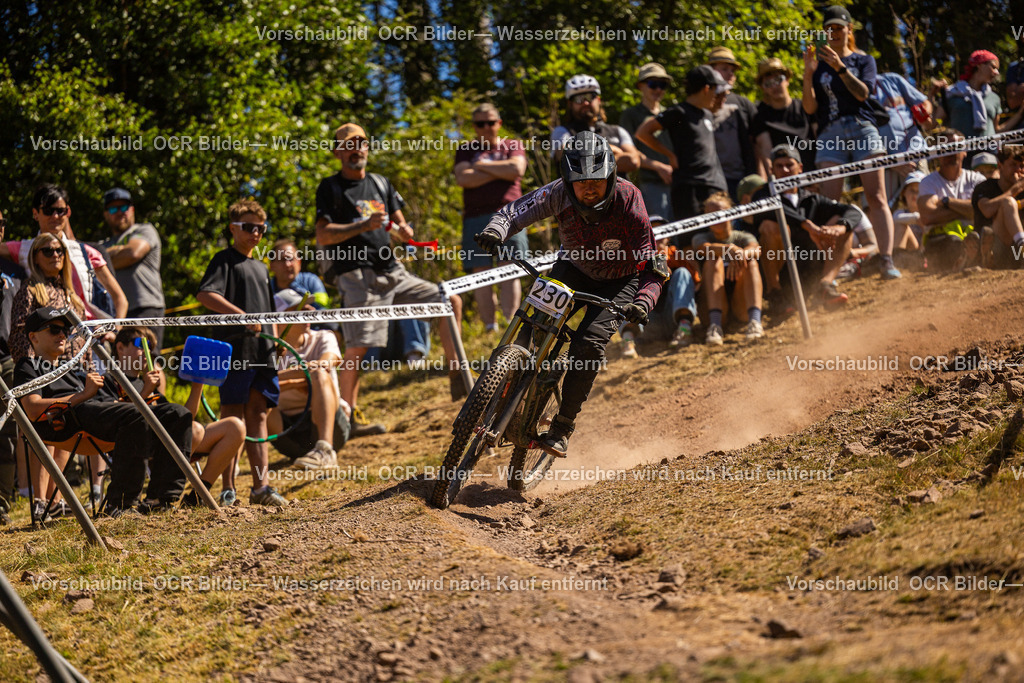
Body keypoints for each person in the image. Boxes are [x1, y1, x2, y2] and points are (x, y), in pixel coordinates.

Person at [476, 131, 665, 456]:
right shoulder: (557, 193)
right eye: (581, 182)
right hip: (573, 268)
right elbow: (512, 212)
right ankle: (504, 381)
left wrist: (643, 301)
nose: (589, 188)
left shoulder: (628, 198)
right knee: (533, 319)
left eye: (597, 180)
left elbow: (653, 263)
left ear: (611, 177)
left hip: (620, 281)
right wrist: (496, 231)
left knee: (587, 346)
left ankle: (562, 426)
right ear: (567, 181)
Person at [314, 122, 466, 416]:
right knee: (358, 347)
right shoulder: (330, 188)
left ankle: (459, 379)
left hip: (394, 273)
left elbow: (402, 227)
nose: (355, 149)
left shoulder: (381, 183)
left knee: (450, 302)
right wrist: (362, 225)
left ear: (367, 147)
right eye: (347, 145)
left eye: (360, 142)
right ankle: (347, 417)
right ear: (337, 153)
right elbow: (323, 235)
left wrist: (406, 232)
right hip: (357, 277)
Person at [13, 307, 192, 518]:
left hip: (94, 411)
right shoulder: (28, 365)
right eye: (53, 329)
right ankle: (121, 504)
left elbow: (102, 400)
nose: (62, 334)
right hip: (66, 421)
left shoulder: (69, 366)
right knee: (135, 415)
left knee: (177, 414)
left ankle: (160, 498)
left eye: (65, 329)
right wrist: (83, 395)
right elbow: (32, 409)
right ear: (33, 337)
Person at [197, 199, 287, 508]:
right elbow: (206, 294)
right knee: (232, 418)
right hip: (234, 350)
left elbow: (270, 314)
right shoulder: (224, 260)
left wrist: (276, 343)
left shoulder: (261, 268)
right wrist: (241, 316)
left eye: (261, 228)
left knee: (259, 413)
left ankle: (261, 487)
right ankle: (228, 489)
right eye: (249, 227)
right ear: (234, 228)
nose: (256, 233)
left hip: (262, 352)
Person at [801, 6, 901, 281]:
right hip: (829, 132)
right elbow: (809, 109)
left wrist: (840, 67)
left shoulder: (863, 60)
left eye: (838, 27)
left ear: (849, 29)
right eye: (828, 29)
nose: (833, 33)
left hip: (862, 127)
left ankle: (886, 259)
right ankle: (830, 270)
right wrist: (808, 73)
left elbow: (863, 93)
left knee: (876, 196)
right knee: (829, 202)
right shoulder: (817, 65)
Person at [100, 326, 238, 511]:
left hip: (169, 444)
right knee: (195, 430)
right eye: (142, 344)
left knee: (234, 427)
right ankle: (157, 498)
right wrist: (146, 391)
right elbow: (118, 419)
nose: (148, 352)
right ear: (120, 348)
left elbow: (183, 420)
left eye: (151, 347)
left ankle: (197, 497)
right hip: (137, 447)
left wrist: (197, 385)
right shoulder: (109, 381)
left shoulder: (148, 383)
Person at [752, 144, 858, 310]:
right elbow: (771, 207)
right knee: (769, 227)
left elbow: (852, 211)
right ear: (771, 170)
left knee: (841, 221)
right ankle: (775, 294)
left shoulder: (812, 198)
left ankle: (825, 286)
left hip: (810, 267)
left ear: (800, 168)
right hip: (782, 269)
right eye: (779, 166)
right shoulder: (762, 194)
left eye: (789, 164)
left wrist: (840, 227)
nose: (785, 170)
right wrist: (806, 224)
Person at [1, 184, 127, 321]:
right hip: (45, 332)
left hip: (90, 333)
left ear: (68, 212)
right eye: (48, 211)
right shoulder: (23, 248)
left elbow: (119, 298)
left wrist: (116, 330)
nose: (55, 216)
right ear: (35, 213)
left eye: (60, 211)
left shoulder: (87, 252)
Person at [454, 103, 529, 331]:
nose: (485, 127)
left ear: (499, 123)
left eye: (490, 122)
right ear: (474, 126)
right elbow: (464, 179)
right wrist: (499, 170)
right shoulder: (465, 149)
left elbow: (516, 170)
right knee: (481, 272)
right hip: (475, 218)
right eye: (480, 123)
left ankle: (510, 324)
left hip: (511, 214)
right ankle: (489, 327)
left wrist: (483, 166)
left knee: (509, 269)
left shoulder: (513, 145)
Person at [635, 66, 730, 225]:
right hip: (688, 188)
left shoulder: (707, 114)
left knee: (722, 237)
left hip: (715, 186)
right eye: (715, 90)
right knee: (691, 240)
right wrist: (670, 155)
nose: (716, 95)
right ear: (706, 89)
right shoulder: (678, 112)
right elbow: (643, 132)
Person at [268, 288, 352, 469]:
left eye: (307, 305)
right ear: (278, 319)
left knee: (320, 375)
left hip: (331, 426)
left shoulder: (324, 337)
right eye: (298, 308)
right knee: (254, 396)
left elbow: (323, 365)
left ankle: (325, 450)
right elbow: (256, 386)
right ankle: (233, 461)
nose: (310, 311)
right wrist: (301, 382)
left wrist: (278, 380)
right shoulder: (268, 351)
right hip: (288, 435)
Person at [618, 215, 698, 356]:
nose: (659, 235)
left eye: (663, 231)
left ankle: (685, 329)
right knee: (627, 281)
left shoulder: (676, 255)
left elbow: (696, 282)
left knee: (683, 273)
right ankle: (628, 341)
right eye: (653, 231)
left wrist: (669, 267)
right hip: (646, 323)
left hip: (673, 319)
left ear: (669, 236)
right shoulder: (634, 257)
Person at [99, 187, 166, 347]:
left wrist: (104, 259)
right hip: (115, 314)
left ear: (132, 210)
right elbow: (91, 264)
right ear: (106, 214)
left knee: (148, 362)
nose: (120, 212)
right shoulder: (104, 244)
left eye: (124, 207)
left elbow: (133, 253)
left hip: (145, 308)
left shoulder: (144, 230)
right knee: (122, 366)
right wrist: (117, 252)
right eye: (114, 208)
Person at [693, 193, 764, 344]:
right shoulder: (701, 237)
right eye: (710, 215)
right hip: (710, 306)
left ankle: (755, 322)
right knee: (713, 260)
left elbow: (756, 249)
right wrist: (728, 250)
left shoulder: (742, 236)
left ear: (731, 214)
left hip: (740, 304)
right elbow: (703, 248)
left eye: (719, 213)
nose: (716, 218)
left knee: (751, 262)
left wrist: (739, 254)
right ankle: (715, 326)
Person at [917, 128, 988, 271]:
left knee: (987, 233)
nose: (951, 152)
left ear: (965, 150)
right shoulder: (927, 182)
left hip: (974, 235)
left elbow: (985, 210)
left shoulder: (977, 179)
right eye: (945, 148)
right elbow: (928, 216)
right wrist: (969, 210)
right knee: (953, 241)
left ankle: (971, 261)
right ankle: (967, 262)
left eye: (956, 147)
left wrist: (947, 202)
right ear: (937, 153)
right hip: (940, 241)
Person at [619, 63, 676, 219]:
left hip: (676, 184)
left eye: (663, 85)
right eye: (653, 84)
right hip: (648, 185)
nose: (658, 90)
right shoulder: (631, 115)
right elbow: (628, 150)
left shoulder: (670, 113)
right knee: (658, 235)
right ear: (640, 86)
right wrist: (658, 167)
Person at [552, 75, 641, 173]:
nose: (585, 103)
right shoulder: (561, 131)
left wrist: (585, 155)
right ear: (570, 104)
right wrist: (614, 151)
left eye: (590, 97)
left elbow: (633, 161)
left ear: (598, 100)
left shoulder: (618, 131)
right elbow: (566, 156)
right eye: (578, 99)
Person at [706, 47, 761, 198]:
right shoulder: (701, 101)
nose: (730, 74)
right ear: (711, 71)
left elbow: (758, 143)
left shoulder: (743, 103)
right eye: (724, 69)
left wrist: (760, 176)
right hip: (710, 180)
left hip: (742, 179)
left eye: (733, 70)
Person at [752, 58, 816, 174]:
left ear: (787, 80)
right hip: (784, 180)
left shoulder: (805, 107)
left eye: (778, 79)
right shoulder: (760, 116)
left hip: (813, 176)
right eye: (768, 84)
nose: (774, 86)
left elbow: (820, 139)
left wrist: (821, 174)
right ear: (763, 88)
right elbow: (766, 152)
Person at [939, 50, 1023, 139]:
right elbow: (931, 124)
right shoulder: (952, 93)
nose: (997, 73)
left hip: (989, 151)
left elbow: (996, 130)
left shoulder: (994, 98)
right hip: (962, 151)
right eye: (993, 67)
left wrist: (1021, 113)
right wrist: (930, 96)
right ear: (980, 65)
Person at [971, 143, 1024, 269]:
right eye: (1013, 165)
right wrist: (1014, 190)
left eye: (1022, 166)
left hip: (1015, 253)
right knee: (1008, 203)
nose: (1018, 170)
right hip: (994, 248)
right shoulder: (985, 187)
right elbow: (987, 210)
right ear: (1000, 166)